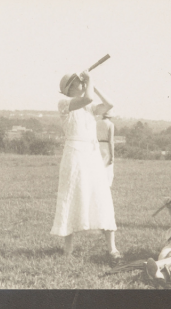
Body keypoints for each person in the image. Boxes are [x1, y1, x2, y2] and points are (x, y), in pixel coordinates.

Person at [51, 71, 120, 259]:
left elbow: (109, 105)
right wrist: (89, 82)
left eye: (82, 82)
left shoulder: (88, 107)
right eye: (79, 82)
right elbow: (88, 98)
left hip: (92, 155)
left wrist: (93, 84)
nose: (82, 84)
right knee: (72, 196)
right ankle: (68, 250)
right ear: (70, 87)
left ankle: (112, 248)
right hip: (74, 154)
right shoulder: (64, 103)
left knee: (102, 195)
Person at [96, 107, 115, 186]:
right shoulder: (110, 124)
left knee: (98, 167)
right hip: (106, 146)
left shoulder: (97, 123)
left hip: (97, 145)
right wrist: (112, 156)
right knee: (107, 168)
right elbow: (111, 141)